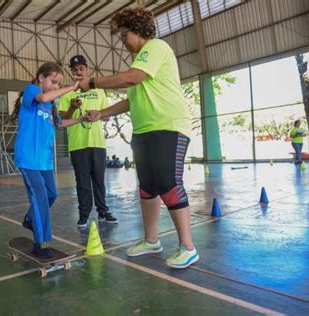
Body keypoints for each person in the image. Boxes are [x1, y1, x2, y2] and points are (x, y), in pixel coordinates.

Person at [80, 8, 198, 269]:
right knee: (148, 188)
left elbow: (131, 78)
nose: (122, 40)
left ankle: (188, 247)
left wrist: (93, 83)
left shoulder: (156, 47)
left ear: (138, 30)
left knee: (168, 183)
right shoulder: (140, 63)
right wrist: (101, 113)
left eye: (124, 34)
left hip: (169, 126)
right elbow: (130, 101)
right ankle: (151, 240)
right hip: (144, 130)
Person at [12, 62, 84, 258]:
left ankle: (29, 219)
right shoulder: (31, 91)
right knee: (41, 197)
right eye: (54, 82)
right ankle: (41, 242)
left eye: (58, 84)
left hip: (44, 160)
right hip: (28, 158)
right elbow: (43, 96)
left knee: (52, 194)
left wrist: (81, 119)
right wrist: (72, 87)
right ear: (41, 77)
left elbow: (60, 124)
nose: (56, 87)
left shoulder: (50, 105)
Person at [59, 55, 117, 227]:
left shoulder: (99, 90)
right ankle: (84, 213)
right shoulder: (67, 93)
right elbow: (62, 119)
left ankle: (102, 211)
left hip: (98, 143)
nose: (78, 72)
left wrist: (97, 114)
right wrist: (72, 107)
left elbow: (106, 116)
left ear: (88, 69)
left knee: (99, 180)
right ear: (71, 72)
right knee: (82, 182)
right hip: (78, 144)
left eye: (81, 68)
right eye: (75, 69)